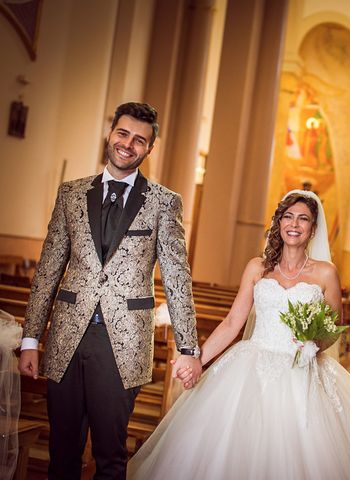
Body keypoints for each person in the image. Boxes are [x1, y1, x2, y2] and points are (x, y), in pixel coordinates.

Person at [127, 189, 350, 479]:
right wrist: (197, 359)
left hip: (302, 369)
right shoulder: (258, 267)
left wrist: (313, 343)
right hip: (250, 366)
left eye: (303, 219)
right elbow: (232, 322)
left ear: (313, 228)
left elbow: (333, 328)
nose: (294, 225)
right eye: (288, 217)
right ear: (279, 222)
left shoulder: (326, 273)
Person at [18, 102, 202, 480]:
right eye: (123, 134)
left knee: (110, 457)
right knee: (61, 454)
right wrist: (31, 339)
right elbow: (49, 268)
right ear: (110, 133)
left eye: (139, 140)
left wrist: (189, 348)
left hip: (124, 343)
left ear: (149, 149)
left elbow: (177, 278)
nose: (128, 144)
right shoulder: (71, 194)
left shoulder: (164, 203)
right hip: (66, 337)